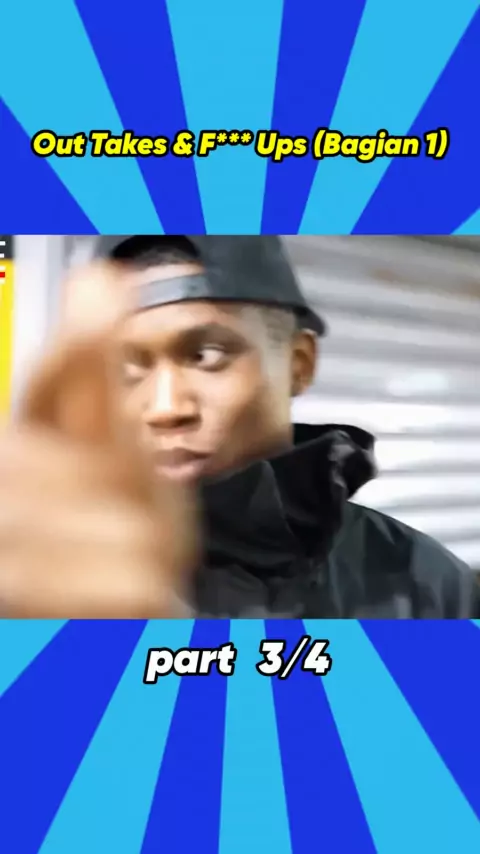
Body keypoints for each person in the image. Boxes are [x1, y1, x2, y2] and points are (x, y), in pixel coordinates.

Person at [0, 236, 474, 618]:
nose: (166, 408)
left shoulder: (427, 586)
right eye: (127, 368)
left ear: (299, 363)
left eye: (205, 355)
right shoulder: (39, 584)